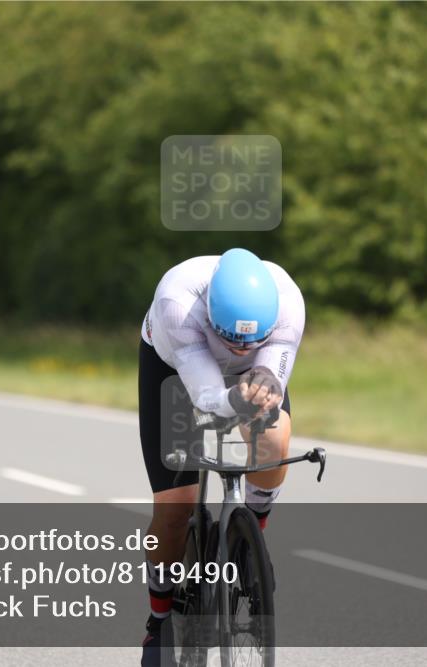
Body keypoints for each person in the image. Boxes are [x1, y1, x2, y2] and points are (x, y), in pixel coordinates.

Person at [138, 248, 305, 666]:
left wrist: (263, 383)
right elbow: (208, 398)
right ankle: (159, 620)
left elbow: (271, 382)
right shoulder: (177, 305)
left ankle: (252, 537)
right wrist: (236, 398)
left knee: (274, 437)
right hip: (177, 367)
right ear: (212, 318)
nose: (242, 349)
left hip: (248, 371)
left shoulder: (288, 303)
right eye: (232, 340)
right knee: (174, 509)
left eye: (252, 341)